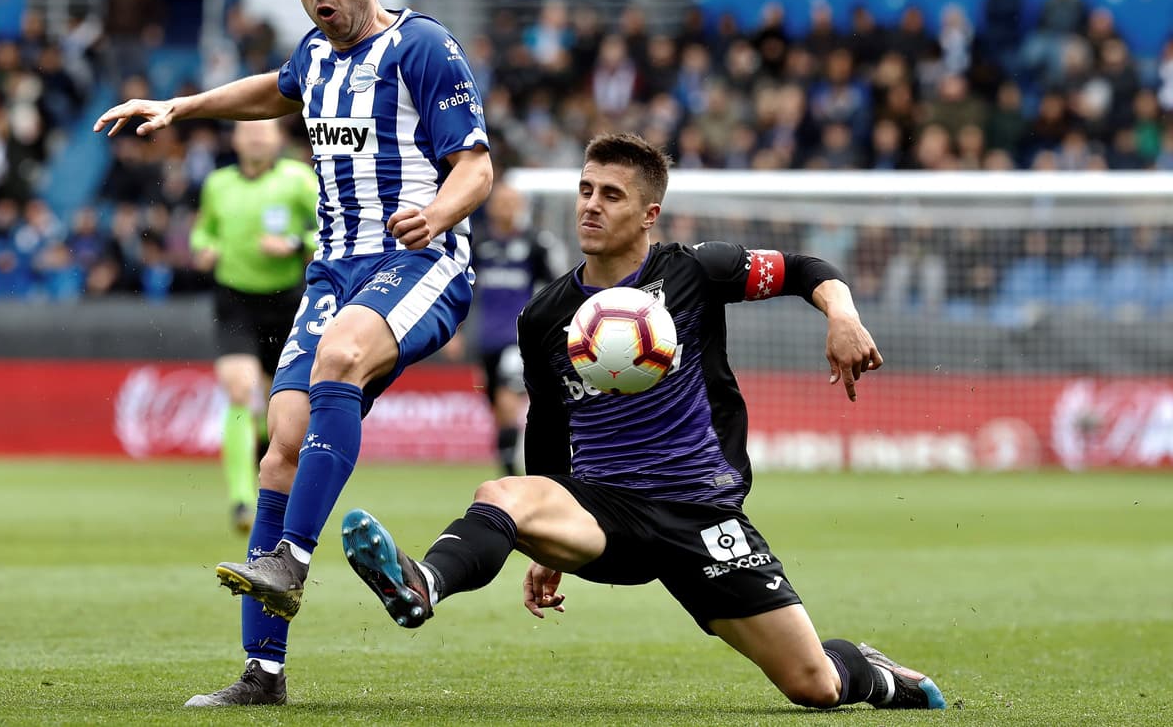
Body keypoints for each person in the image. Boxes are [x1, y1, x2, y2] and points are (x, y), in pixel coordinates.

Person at [339, 132, 946, 712]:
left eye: (611, 195)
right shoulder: (545, 316)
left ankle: (870, 671)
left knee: (813, 685)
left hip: (700, 513)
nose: (591, 206)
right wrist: (547, 544)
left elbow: (805, 268)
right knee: (499, 493)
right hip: (608, 515)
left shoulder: (696, 272)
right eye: (585, 190)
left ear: (649, 213)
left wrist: (842, 316)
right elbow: (549, 431)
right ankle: (424, 583)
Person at [94, 0, 493, 707]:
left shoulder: (422, 46)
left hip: (418, 261)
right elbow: (273, 90)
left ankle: (293, 557)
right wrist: (182, 108)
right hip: (334, 271)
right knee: (281, 442)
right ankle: (263, 671)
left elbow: (477, 166)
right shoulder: (314, 54)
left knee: (342, 353)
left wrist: (440, 213)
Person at [189, 119, 318, 533]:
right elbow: (202, 232)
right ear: (237, 140)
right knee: (241, 389)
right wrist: (204, 248)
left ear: (279, 138)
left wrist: (296, 245)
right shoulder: (217, 184)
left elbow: (330, 232)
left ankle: (266, 458)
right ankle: (242, 501)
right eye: (249, 131)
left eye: (265, 131)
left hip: (288, 302)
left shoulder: (299, 181)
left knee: (281, 406)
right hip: (235, 301)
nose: (258, 137)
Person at [470, 181, 564, 475]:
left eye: (512, 202)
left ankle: (515, 475)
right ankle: (508, 469)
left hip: (519, 338)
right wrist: (458, 331)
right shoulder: (480, 243)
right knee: (498, 410)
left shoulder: (535, 244)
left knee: (507, 402)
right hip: (488, 340)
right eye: (501, 201)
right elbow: (465, 288)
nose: (506, 207)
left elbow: (555, 287)